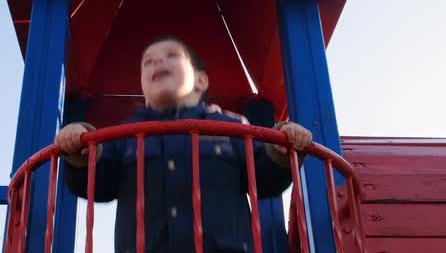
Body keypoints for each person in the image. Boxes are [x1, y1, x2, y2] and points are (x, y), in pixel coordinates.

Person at [55, 36, 312, 253]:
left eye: (172, 55)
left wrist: (281, 148)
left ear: (200, 81)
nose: (157, 61)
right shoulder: (124, 136)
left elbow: (264, 178)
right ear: (143, 86)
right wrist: (80, 149)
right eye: (148, 62)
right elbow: (98, 184)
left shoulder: (231, 128)